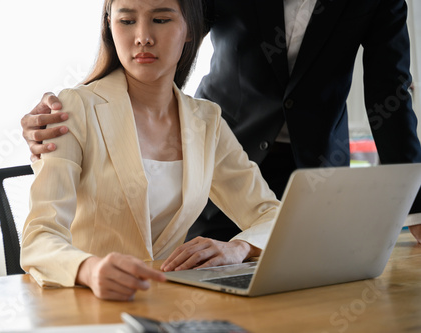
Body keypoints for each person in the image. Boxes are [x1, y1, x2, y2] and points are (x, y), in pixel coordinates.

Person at [21, 0, 421, 244]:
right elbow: (165, 27)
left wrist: (416, 210)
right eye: (125, 22)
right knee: (206, 280)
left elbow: (391, 97)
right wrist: (84, 114)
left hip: (315, 168)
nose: (142, 33)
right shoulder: (202, 126)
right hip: (222, 152)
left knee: (311, 299)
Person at [21, 0, 280, 301]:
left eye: (160, 19)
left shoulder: (206, 121)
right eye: (127, 21)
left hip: (166, 303)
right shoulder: (74, 109)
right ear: (109, 26)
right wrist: (89, 269)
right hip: (85, 301)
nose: (143, 36)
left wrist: (238, 248)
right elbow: (39, 236)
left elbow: (271, 215)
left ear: (189, 30)